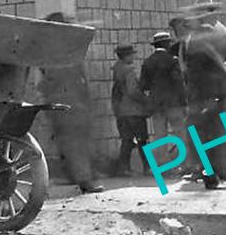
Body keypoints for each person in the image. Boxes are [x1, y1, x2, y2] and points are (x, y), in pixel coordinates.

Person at [36, 12, 104, 194]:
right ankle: (84, 179)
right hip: (69, 102)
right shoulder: (66, 49)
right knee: (76, 142)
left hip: (59, 101)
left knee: (67, 142)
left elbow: (45, 80)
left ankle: (75, 175)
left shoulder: (48, 49)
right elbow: (73, 77)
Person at [178, 0, 226, 190]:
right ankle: (220, 175)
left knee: (200, 136)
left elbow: (184, 68)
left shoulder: (189, 38)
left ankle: (208, 175)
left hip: (197, 94)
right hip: (218, 93)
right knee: (219, 134)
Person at [139, 31, 189, 174]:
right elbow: (179, 84)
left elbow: (143, 85)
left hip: (156, 105)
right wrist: (184, 103)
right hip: (173, 104)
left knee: (160, 136)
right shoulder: (172, 60)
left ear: (155, 46)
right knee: (180, 134)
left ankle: (162, 167)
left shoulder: (147, 62)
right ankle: (183, 166)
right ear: (166, 44)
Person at [110, 45, 149, 176]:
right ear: (126, 56)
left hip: (121, 110)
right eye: (131, 54)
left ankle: (123, 168)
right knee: (142, 140)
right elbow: (132, 91)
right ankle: (148, 168)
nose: (133, 57)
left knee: (126, 140)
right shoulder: (129, 70)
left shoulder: (117, 69)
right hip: (134, 110)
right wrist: (145, 99)